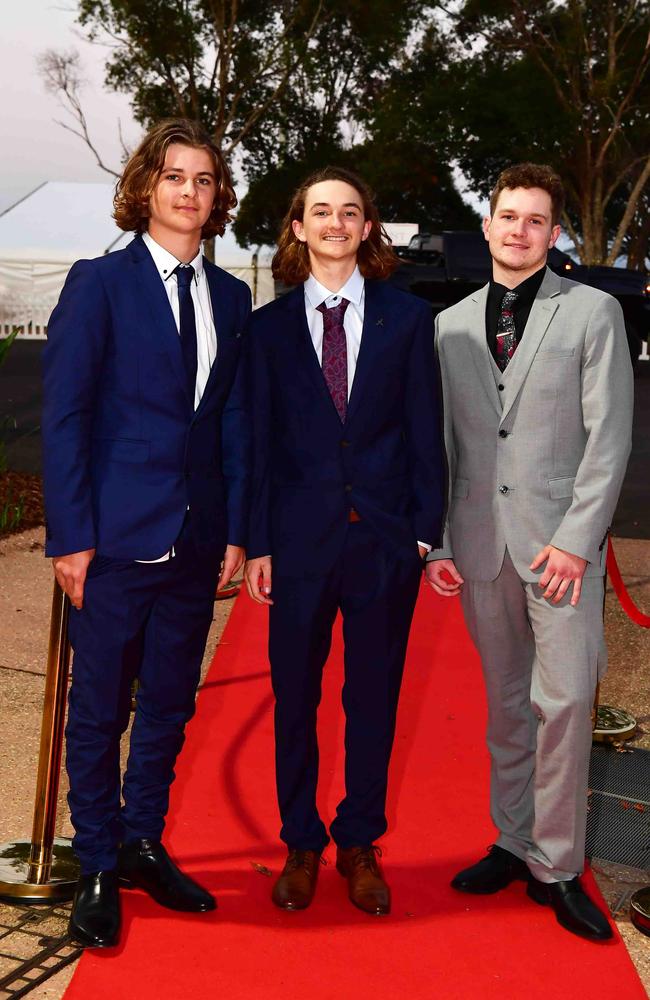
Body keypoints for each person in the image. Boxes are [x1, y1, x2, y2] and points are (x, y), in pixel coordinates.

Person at [41, 119, 251, 948]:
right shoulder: (98, 283)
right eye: (175, 177)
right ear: (145, 188)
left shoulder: (232, 297)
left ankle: (140, 842)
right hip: (114, 539)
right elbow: (65, 418)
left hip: (197, 542)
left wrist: (233, 528)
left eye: (203, 180)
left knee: (167, 706)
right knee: (98, 712)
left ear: (216, 197)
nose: (189, 193)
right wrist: (71, 536)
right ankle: (95, 861)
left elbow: (229, 420)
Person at [426, 162, 633, 941]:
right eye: (507, 216)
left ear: (554, 234)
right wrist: (440, 543)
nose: (519, 230)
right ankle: (512, 843)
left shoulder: (591, 314)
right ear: (487, 226)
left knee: (567, 703)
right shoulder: (446, 327)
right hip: (481, 548)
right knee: (508, 707)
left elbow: (608, 442)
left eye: (535, 220)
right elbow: (443, 449)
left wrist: (577, 543)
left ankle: (558, 864)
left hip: (560, 553)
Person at [244, 166, 445, 916]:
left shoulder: (406, 319)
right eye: (319, 211)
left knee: (374, 700)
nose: (334, 222)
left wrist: (426, 534)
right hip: (297, 545)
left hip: (384, 545)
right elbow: (257, 443)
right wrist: (257, 542)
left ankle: (360, 841)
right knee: (294, 699)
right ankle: (301, 840)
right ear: (297, 227)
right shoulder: (264, 329)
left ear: (368, 227)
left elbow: (426, 431)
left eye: (349, 211)